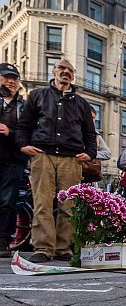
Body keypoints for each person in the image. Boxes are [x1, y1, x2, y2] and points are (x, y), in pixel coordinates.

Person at [15, 60, 97, 263]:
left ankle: (63, 249)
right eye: (62, 69)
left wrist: (91, 153)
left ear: (74, 75)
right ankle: (43, 248)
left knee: (68, 205)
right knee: (42, 202)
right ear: (54, 71)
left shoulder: (82, 104)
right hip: (43, 154)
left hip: (71, 158)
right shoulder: (37, 96)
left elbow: (90, 133)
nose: (66, 72)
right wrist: (23, 145)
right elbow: (24, 124)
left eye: (70, 70)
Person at [0, 63, 27, 257]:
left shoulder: (24, 107)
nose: (10, 81)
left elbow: (29, 134)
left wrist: (10, 133)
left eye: (14, 78)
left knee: (7, 201)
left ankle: (3, 241)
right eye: (6, 77)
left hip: (13, 161)